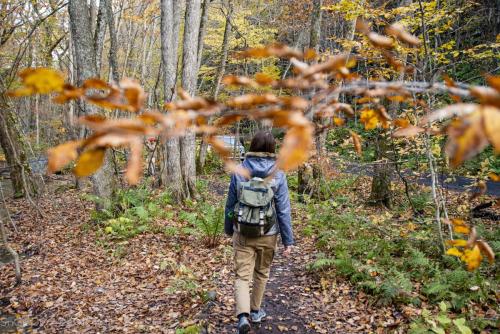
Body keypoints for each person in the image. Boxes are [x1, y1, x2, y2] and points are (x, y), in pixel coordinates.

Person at [224, 131, 294, 334]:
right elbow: (283, 209)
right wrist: (288, 241)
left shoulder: (240, 170)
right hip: (268, 233)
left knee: (242, 276)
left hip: (243, 232)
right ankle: (255, 311)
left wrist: (229, 229)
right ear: (272, 148)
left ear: (252, 146)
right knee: (262, 273)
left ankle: (242, 316)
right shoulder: (278, 173)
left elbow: (230, 204)